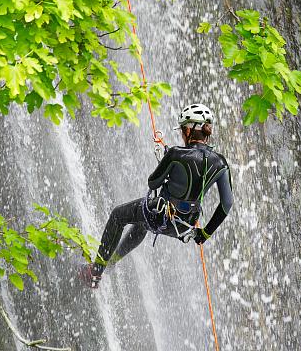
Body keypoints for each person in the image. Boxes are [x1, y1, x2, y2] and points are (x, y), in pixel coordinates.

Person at [81, 104, 234, 288]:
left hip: (159, 215)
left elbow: (153, 182)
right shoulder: (220, 162)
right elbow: (227, 203)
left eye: (182, 130)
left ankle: (96, 271)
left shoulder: (176, 153)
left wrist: (166, 161)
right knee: (140, 226)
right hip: (184, 226)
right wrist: (205, 233)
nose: (182, 135)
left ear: (188, 129)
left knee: (118, 216)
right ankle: (110, 263)